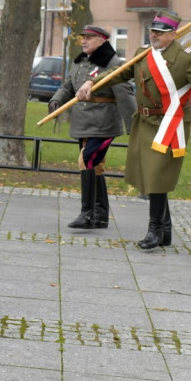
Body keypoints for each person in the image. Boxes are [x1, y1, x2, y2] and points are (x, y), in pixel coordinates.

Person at [77, 10, 191, 250]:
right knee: (151, 177)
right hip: (145, 124)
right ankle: (165, 229)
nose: (153, 35)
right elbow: (119, 73)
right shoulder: (142, 54)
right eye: (152, 31)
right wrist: (92, 81)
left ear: (173, 35)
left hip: (171, 124)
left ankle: (154, 230)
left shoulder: (186, 58)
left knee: (156, 176)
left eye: (159, 32)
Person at [47, 25, 135, 230]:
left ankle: (86, 214)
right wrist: (56, 101)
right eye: (83, 37)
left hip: (103, 123)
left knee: (86, 161)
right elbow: (68, 85)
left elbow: (125, 95)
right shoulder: (80, 62)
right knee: (95, 167)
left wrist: (133, 126)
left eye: (89, 37)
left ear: (102, 41)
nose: (84, 41)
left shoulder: (114, 64)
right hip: (83, 122)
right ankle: (100, 215)